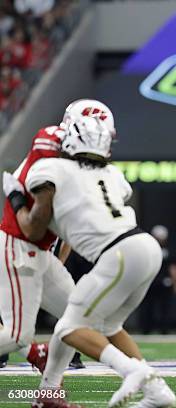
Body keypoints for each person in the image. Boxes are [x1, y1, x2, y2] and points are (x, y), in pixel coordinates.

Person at [4, 99, 176, 407]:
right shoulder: (112, 175)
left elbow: (41, 225)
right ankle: (155, 390)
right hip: (142, 246)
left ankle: (131, 372)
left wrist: (16, 196)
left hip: (114, 254)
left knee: (71, 326)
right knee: (98, 324)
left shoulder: (52, 168)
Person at [0, 123, 77, 377]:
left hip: (37, 251)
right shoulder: (50, 154)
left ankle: (49, 392)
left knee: (79, 317)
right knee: (18, 335)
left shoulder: (78, 171)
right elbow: (32, 227)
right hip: (19, 246)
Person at [139, 225, 176, 334]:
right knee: (150, 307)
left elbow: (173, 269)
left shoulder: (166, 252)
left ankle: (161, 329)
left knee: (163, 307)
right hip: (152, 282)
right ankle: (150, 328)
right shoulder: (148, 250)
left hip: (162, 283)